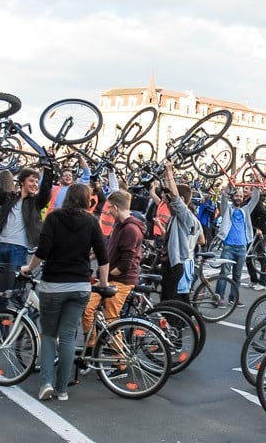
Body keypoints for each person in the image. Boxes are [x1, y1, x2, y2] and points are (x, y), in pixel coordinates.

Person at [21, 184, 108, 401]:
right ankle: (62, 389)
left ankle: (46, 383)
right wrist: (103, 283)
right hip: (80, 285)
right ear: (88, 200)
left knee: (50, 335)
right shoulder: (91, 221)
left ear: (67, 197)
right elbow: (102, 256)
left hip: (53, 284)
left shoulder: (53, 218)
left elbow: (42, 251)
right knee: (69, 336)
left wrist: (28, 269)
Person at [0, 157, 53, 310]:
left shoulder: (35, 203)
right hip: (1, 246)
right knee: (0, 295)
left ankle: (25, 325)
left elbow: (46, 191)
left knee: (15, 294)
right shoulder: (9, 197)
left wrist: (47, 166)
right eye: (32, 181)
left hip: (18, 249)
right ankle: (3, 334)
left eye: (36, 182)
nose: (35, 184)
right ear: (22, 182)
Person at [81, 189, 145, 337]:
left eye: (109, 207)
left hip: (120, 280)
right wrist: (90, 256)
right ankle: (91, 348)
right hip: (112, 279)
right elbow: (108, 249)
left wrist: (105, 276)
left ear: (115, 207)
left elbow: (125, 265)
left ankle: (120, 358)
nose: (108, 211)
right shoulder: (119, 226)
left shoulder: (130, 229)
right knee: (90, 311)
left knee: (112, 321)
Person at [157, 162, 202, 303]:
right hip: (176, 262)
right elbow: (202, 240)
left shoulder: (186, 216)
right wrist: (165, 176)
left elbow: (175, 197)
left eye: (168, 199)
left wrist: (169, 172)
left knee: (169, 301)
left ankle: (176, 323)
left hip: (177, 264)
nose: (167, 201)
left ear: (182, 201)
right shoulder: (180, 218)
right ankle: (187, 319)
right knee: (179, 297)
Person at [215, 186, 260, 308]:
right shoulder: (227, 209)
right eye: (236, 196)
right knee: (224, 273)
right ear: (232, 197)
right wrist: (229, 185)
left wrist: (256, 186)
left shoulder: (246, 210)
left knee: (237, 275)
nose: (239, 198)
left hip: (242, 247)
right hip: (228, 246)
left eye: (241, 196)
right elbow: (223, 198)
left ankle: (233, 298)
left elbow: (255, 199)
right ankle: (219, 298)